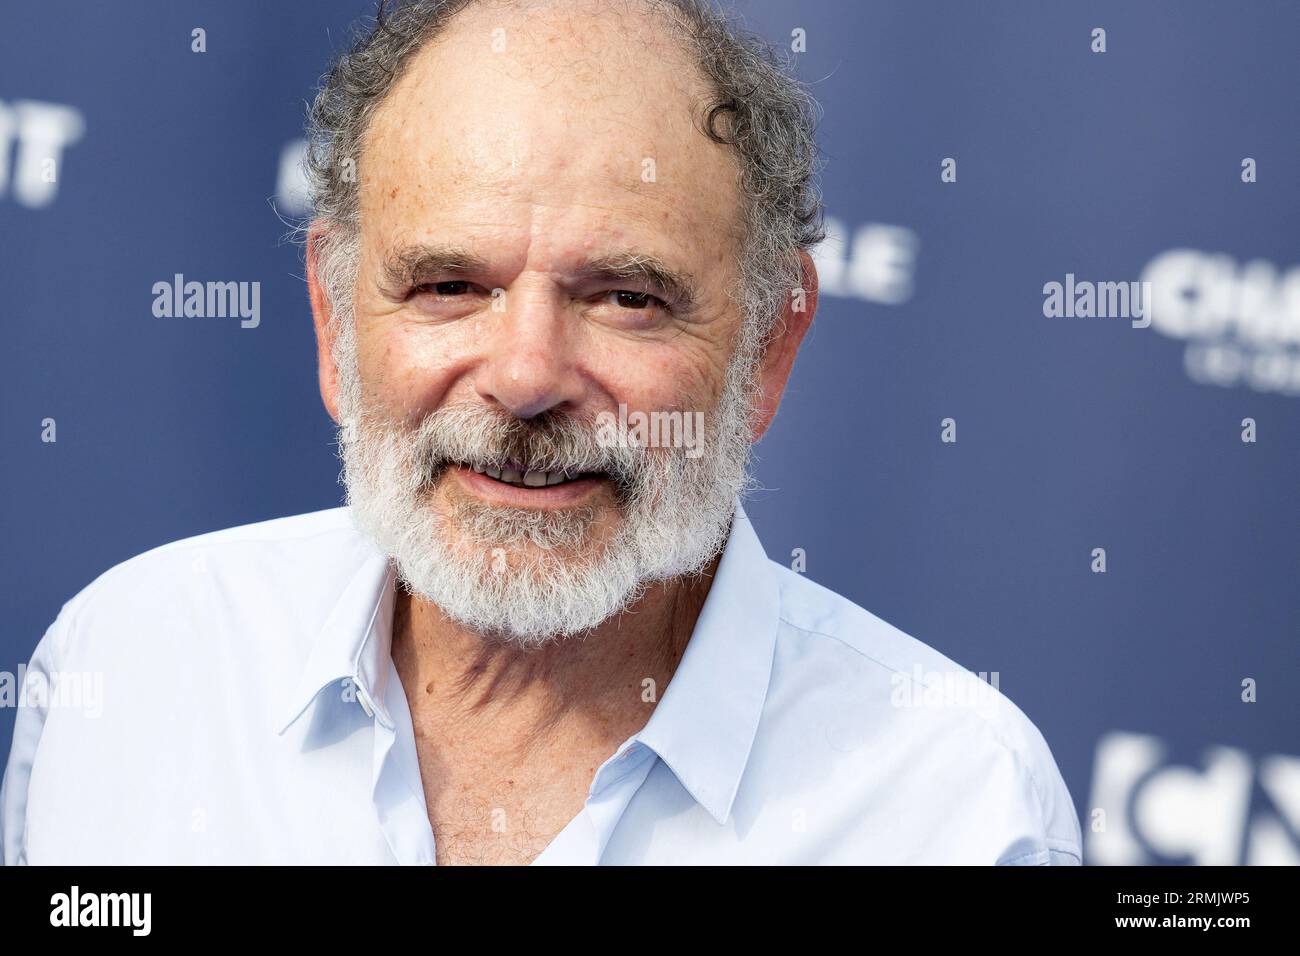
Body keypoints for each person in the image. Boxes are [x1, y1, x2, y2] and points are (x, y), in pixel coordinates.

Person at [1, 0, 1081, 865]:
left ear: (765, 349)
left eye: (625, 297)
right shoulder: (136, 661)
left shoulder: (953, 807)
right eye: (448, 285)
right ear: (335, 324)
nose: (524, 378)